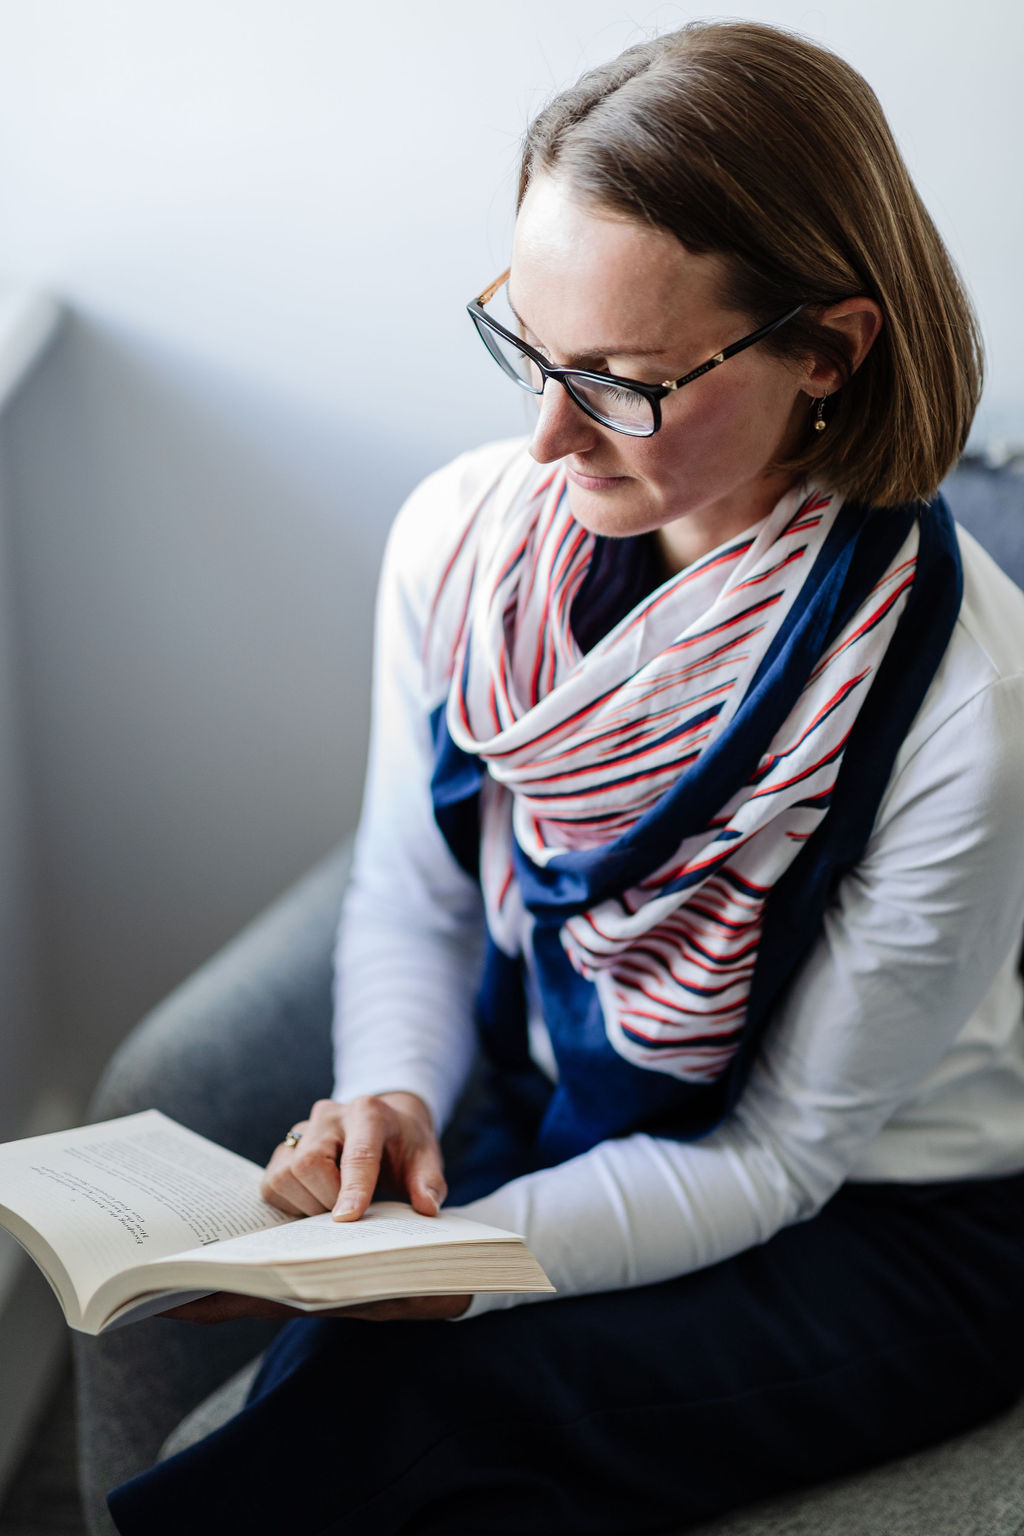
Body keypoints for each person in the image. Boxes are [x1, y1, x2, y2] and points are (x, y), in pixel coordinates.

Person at [107, 19, 1024, 1536]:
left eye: (619, 379)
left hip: (892, 1214)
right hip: (580, 1113)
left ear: (830, 350)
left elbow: (786, 1152)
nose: (542, 436)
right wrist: (387, 1093)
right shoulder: (465, 540)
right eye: (526, 343)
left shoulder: (967, 705)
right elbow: (414, 888)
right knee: (337, 1399)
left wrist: (465, 1260)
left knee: (411, 1421)